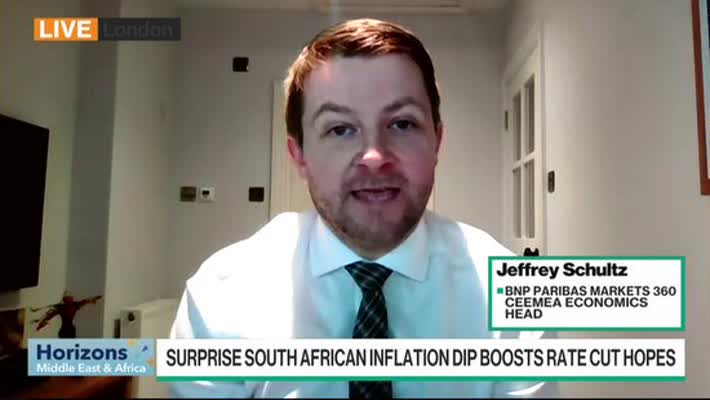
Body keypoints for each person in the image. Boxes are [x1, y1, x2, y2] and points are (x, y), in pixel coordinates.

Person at [170, 18, 557, 398]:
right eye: (339, 129)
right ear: (299, 155)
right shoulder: (221, 296)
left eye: (402, 124)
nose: (374, 156)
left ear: (436, 141)